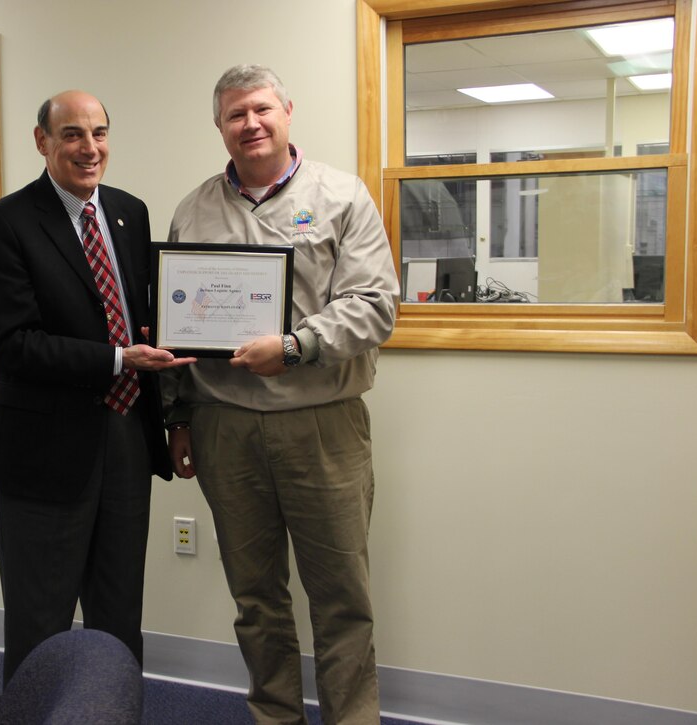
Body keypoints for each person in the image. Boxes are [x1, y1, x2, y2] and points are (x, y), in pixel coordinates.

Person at [163, 65, 399, 724]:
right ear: (220, 127)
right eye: (235, 114)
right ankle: (275, 715)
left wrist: (294, 347)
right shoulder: (194, 208)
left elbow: (375, 306)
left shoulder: (341, 196)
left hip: (321, 425)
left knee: (341, 598)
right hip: (224, 426)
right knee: (255, 596)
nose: (251, 123)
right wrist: (178, 418)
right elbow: (179, 325)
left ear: (287, 111)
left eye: (261, 109)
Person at [0, 90, 194, 685]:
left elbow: (148, 317)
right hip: (46, 451)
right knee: (40, 621)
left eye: (99, 133)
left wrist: (174, 410)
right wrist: (120, 358)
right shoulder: (5, 224)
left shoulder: (129, 211)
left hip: (126, 437)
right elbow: (15, 345)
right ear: (42, 142)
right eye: (72, 134)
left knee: (120, 611)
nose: (89, 148)